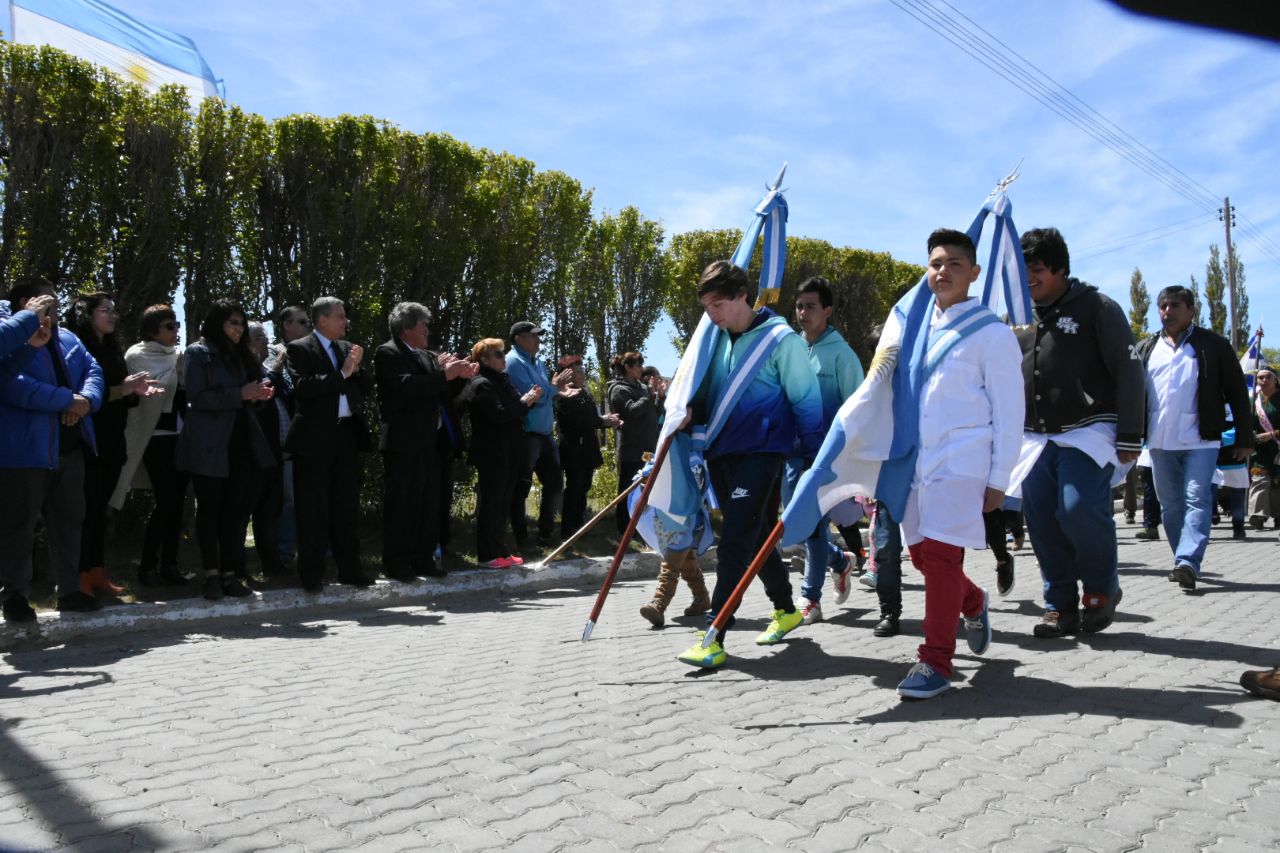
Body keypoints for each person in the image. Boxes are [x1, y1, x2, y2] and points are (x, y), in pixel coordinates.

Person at [891, 230, 1023, 699]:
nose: (942, 271)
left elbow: (1010, 413)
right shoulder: (914, 329)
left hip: (963, 463)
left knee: (944, 558)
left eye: (953, 264)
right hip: (916, 465)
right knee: (923, 558)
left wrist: (999, 478)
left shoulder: (992, 333)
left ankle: (936, 663)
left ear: (974, 273)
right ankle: (972, 600)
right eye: (934, 263)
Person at [675, 260, 824, 669]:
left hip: (762, 453)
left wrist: (814, 460)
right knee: (756, 534)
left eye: (719, 304)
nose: (713, 314)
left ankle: (714, 634)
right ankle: (786, 608)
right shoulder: (714, 339)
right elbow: (703, 392)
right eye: (706, 307)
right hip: (720, 453)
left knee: (736, 541)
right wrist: (687, 411)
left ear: (744, 295)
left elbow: (807, 402)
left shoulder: (781, 340)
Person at [1017, 227, 1145, 638]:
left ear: (1060, 268)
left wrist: (1130, 434)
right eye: (1023, 271)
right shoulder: (1016, 314)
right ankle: (1059, 605)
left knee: (1076, 509)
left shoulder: (1098, 307)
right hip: (1034, 436)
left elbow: (1129, 371)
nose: (1028, 279)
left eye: (1036, 270)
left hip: (1088, 430)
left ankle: (1100, 591)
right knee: (1040, 519)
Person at [0, 276, 105, 618]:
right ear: (26, 304)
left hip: (70, 447)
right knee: (20, 525)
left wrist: (86, 400)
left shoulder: (68, 337)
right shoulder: (12, 338)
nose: (55, 308)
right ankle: (14, 595)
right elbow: (11, 385)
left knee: (69, 521)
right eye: (48, 302)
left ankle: (70, 590)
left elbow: (93, 370)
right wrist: (65, 401)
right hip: (26, 450)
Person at [1136, 285, 1251, 593]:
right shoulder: (1146, 348)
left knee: (1196, 498)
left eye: (1174, 305)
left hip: (1202, 439)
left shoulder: (1212, 345)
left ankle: (1188, 560)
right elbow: (1131, 393)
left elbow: (1238, 394)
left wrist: (1243, 436)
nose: (1166, 312)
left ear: (1191, 310)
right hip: (1159, 441)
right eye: (1162, 306)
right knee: (1170, 505)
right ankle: (1181, 560)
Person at [175, 301, 276, 600]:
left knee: (235, 513)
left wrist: (260, 393)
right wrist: (240, 394)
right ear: (217, 323)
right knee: (211, 512)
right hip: (209, 443)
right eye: (233, 323)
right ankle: (211, 575)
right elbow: (196, 397)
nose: (238, 329)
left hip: (241, 443)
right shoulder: (198, 352)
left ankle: (231, 573)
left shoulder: (241, 354)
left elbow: (258, 384)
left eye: (242, 324)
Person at [65, 292, 161, 600]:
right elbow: (82, 399)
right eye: (105, 310)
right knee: (85, 512)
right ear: (86, 314)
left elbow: (119, 394)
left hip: (112, 442)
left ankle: (96, 573)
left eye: (114, 310)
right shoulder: (76, 347)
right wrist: (123, 389)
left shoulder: (111, 348)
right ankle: (75, 577)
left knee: (99, 512)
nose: (113, 315)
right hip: (87, 443)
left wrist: (135, 390)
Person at [784, 276, 865, 624]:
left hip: (825, 458)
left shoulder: (843, 356)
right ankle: (839, 560)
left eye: (811, 306)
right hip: (791, 452)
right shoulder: (791, 348)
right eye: (799, 306)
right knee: (797, 525)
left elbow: (857, 409)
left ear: (828, 311)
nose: (803, 313)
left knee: (813, 524)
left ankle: (810, 599)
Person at [374, 302, 474, 581]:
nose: (427, 330)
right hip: (403, 442)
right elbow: (406, 387)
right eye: (423, 325)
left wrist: (460, 377)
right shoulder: (388, 353)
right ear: (407, 328)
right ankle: (396, 562)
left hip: (430, 442)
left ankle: (423, 558)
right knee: (402, 504)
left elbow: (438, 392)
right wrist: (444, 375)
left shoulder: (425, 356)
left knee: (428, 503)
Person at [285, 296, 373, 592]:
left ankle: (350, 569)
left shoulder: (347, 349)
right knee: (313, 508)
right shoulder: (299, 348)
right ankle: (311, 573)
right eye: (340, 316)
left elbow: (364, 388)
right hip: (314, 439)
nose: (345, 321)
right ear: (322, 320)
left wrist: (357, 371)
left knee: (345, 506)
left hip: (346, 435)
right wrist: (343, 373)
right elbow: (303, 388)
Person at [111, 304, 193, 586]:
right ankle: (147, 566)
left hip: (179, 436)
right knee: (166, 501)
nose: (176, 331)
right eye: (170, 326)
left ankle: (170, 564)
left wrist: (182, 376)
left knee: (177, 502)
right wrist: (177, 375)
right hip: (154, 437)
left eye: (177, 325)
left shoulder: (176, 355)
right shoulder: (138, 354)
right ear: (152, 331)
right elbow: (150, 391)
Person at [463, 338, 533, 568]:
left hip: (509, 451)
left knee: (503, 503)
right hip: (492, 453)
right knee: (492, 504)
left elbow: (514, 411)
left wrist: (525, 402)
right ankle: (487, 555)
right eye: (499, 355)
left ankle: (500, 550)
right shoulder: (481, 383)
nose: (504, 358)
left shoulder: (501, 381)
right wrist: (525, 402)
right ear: (484, 359)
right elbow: (499, 415)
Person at [506, 321, 577, 547]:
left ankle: (545, 534)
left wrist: (554, 390)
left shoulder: (539, 363)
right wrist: (553, 388)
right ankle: (522, 537)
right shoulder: (513, 362)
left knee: (555, 484)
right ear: (519, 338)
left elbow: (545, 394)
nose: (539, 340)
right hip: (527, 434)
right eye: (533, 336)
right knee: (521, 487)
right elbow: (533, 398)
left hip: (545, 434)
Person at [554, 354, 620, 539]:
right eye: (578, 372)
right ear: (567, 374)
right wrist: (602, 421)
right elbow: (576, 421)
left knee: (584, 487)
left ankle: (579, 526)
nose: (583, 375)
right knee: (575, 487)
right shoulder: (562, 394)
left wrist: (603, 421)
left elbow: (591, 417)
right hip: (574, 449)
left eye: (583, 371)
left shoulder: (584, 392)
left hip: (587, 447)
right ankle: (568, 530)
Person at [265, 305, 311, 565]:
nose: (308, 326)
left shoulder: (311, 352)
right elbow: (278, 387)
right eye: (302, 322)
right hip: (285, 436)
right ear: (286, 326)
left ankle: (311, 546)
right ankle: (283, 550)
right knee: (288, 498)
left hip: (308, 435)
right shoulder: (275, 354)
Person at [607, 351, 660, 536]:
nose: (641, 369)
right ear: (628, 367)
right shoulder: (619, 389)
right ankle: (624, 527)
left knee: (645, 487)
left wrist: (658, 397)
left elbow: (652, 411)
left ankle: (641, 525)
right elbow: (632, 411)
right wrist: (649, 395)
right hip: (632, 448)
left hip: (647, 448)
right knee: (628, 489)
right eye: (637, 365)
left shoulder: (642, 388)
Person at [1247, 368, 1280, 530]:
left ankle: (1278, 515)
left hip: (1278, 447)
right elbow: (1247, 422)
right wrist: (1252, 436)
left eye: (1268, 377)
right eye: (1260, 378)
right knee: (1259, 479)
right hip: (1260, 449)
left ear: (1276, 380)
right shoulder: (1253, 400)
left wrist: (1273, 434)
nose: (1264, 380)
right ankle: (1257, 514)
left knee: (1277, 483)